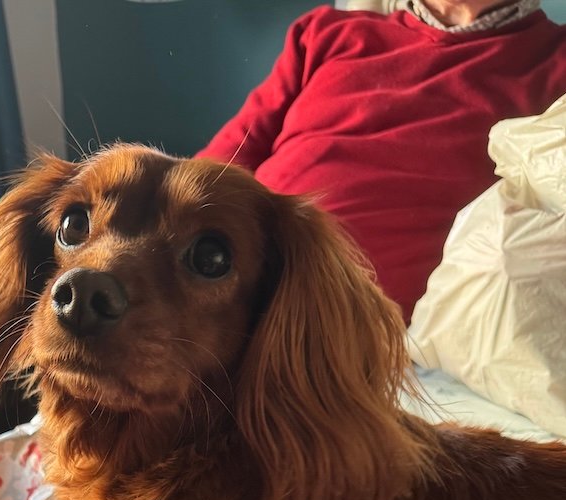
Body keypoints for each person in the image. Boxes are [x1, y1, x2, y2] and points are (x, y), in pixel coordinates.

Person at [198, 1, 566, 321]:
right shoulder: (326, 33)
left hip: (360, 327)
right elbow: (212, 171)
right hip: (228, 292)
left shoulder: (555, 60)